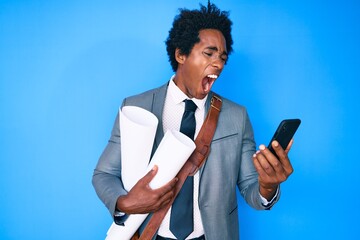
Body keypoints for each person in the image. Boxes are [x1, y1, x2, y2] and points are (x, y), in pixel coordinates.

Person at [92, 2, 294, 240]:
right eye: (209, 53)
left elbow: (251, 188)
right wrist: (125, 202)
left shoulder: (236, 116)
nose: (218, 64)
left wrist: (268, 186)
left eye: (222, 57)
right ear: (181, 54)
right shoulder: (135, 107)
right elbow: (104, 174)